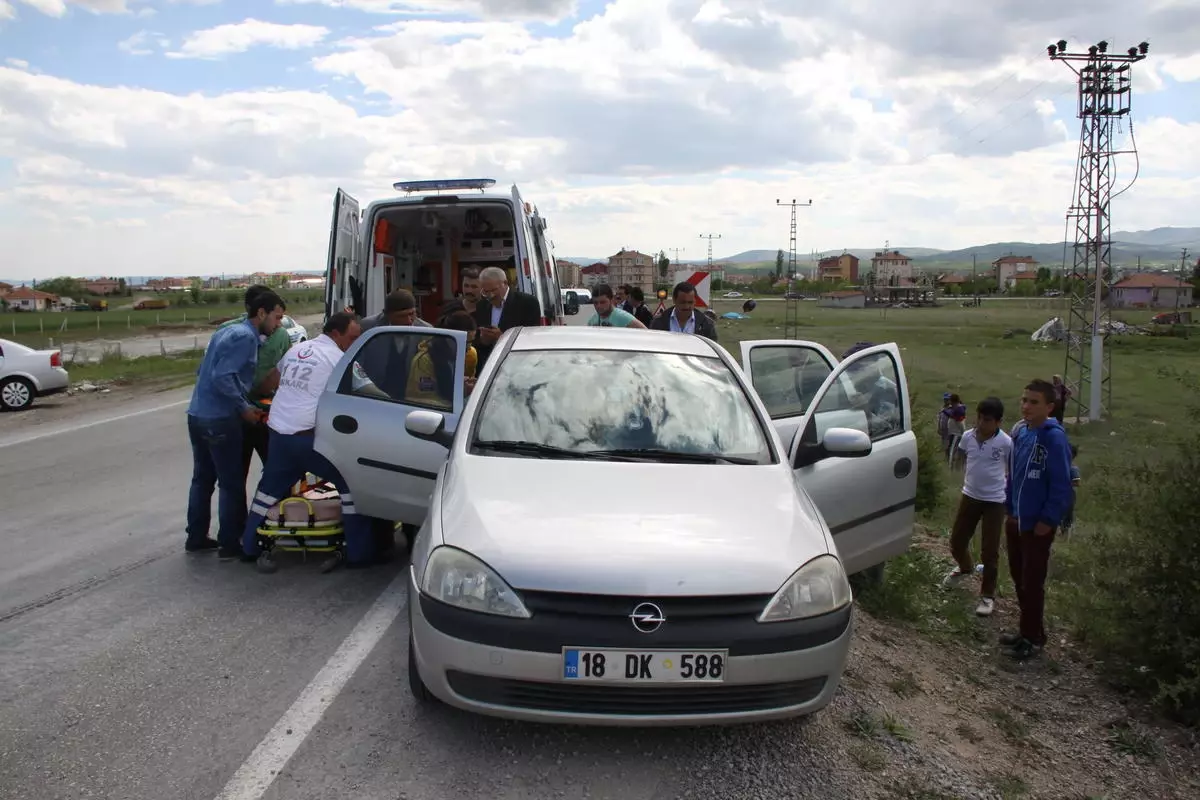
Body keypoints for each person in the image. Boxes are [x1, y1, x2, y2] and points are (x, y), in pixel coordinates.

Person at [240, 312, 376, 572]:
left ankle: (249, 547)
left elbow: (271, 381)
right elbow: (368, 389)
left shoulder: (298, 349)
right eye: (352, 337)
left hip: (279, 433)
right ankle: (359, 554)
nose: (355, 343)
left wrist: (259, 397)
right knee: (352, 485)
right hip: (310, 438)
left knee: (267, 490)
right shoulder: (339, 357)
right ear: (335, 334)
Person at [185, 290, 285, 559]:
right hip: (219, 418)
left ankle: (195, 537)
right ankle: (230, 542)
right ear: (261, 313)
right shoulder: (244, 337)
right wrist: (243, 409)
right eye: (276, 318)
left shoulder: (226, 331)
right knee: (230, 483)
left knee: (202, 479)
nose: (277, 325)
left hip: (197, 414)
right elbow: (223, 377)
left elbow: (203, 371)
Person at [1002, 378, 1074, 660]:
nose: (1026, 407)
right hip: (1017, 517)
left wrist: (1049, 518)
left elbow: (1061, 483)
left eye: (1034, 402)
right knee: (1019, 576)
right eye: (1024, 400)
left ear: (1050, 407)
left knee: (1033, 581)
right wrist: (1009, 506)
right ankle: (1025, 630)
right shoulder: (1021, 432)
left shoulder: (1053, 437)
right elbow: (1014, 473)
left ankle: (1034, 637)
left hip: (1038, 523)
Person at [944, 397, 1013, 617]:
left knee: (990, 550)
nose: (982, 423)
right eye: (980, 418)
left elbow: (1011, 470)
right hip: (970, 495)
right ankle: (965, 567)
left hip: (995, 500)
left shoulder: (1006, 443)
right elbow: (962, 457)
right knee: (956, 541)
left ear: (998, 422)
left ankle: (987, 595)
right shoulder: (967, 437)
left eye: (988, 420)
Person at [218, 285, 291, 482]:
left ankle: (269, 511)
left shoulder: (282, 335)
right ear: (257, 310)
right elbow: (219, 374)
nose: (277, 321)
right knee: (235, 477)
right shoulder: (230, 331)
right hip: (238, 414)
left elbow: (284, 374)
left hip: (265, 414)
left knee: (276, 471)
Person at [472, 265, 542, 371]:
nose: (490, 295)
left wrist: (502, 337)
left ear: (505, 283)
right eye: (485, 292)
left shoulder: (527, 303)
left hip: (517, 366)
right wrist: (483, 341)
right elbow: (476, 341)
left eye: (494, 290)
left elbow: (531, 339)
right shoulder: (481, 305)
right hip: (489, 367)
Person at [405, 310, 479, 407]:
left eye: (471, 341)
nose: (469, 347)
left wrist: (464, 384)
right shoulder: (423, 361)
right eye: (466, 342)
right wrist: (463, 392)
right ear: (450, 338)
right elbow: (424, 398)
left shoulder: (468, 354)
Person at [649, 281, 718, 341]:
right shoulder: (658, 322)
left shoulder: (707, 324)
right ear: (674, 300)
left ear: (695, 301)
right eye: (682, 302)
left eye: (690, 302)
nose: (686, 306)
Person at [359, 289, 432, 332]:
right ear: (387, 315)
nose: (409, 321)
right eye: (402, 316)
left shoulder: (426, 330)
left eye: (412, 314)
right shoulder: (368, 327)